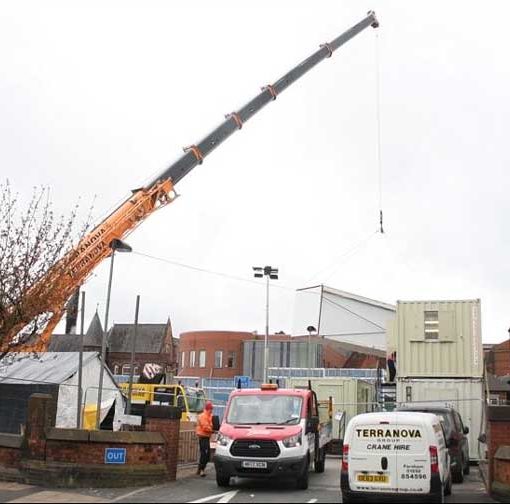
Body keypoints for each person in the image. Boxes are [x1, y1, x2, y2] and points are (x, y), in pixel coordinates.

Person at [196, 400, 213, 477]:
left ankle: (200, 469)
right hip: (203, 437)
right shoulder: (203, 416)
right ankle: (201, 470)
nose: (211, 410)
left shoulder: (209, 416)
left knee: (206, 454)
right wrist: (212, 429)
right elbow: (205, 427)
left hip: (206, 437)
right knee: (205, 454)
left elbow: (209, 425)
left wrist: (211, 428)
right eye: (211, 409)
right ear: (208, 409)